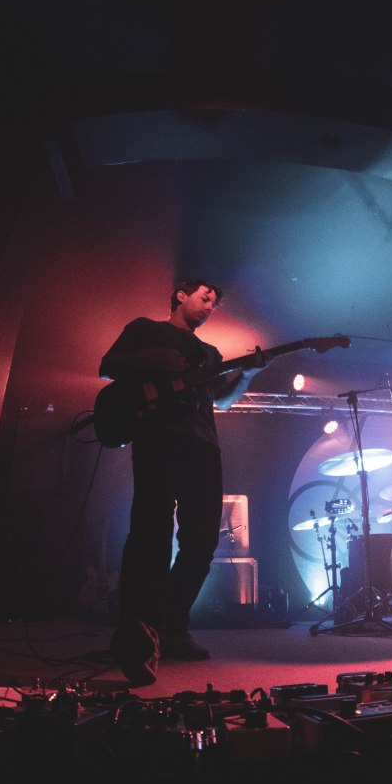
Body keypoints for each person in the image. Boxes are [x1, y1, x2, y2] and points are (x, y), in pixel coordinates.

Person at [98, 279, 268, 686]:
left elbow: (222, 401)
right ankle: (139, 629)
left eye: (214, 304)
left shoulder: (210, 354)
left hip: (203, 445)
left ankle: (170, 627)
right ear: (181, 294)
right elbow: (107, 368)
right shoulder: (146, 329)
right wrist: (152, 357)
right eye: (205, 297)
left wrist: (247, 374)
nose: (210, 306)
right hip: (158, 436)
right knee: (150, 530)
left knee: (203, 540)